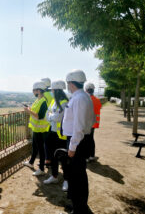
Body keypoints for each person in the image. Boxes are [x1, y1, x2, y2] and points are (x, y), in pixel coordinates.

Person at [62, 69, 95, 214]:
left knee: (77, 176)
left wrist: (73, 146)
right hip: (78, 140)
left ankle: (79, 208)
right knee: (76, 175)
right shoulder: (82, 96)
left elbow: (79, 125)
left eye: (68, 83)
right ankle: (77, 205)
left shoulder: (80, 98)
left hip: (77, 141)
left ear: (70, 83)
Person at [43, 80, 69, 192]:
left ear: (56, 90)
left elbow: (57, 117)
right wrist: (51, 116)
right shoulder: (54, 101)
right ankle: (54, 176)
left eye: (52, 90)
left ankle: (67, 180)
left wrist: (51, 116)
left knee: (63, 158)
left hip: (61, 135)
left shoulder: (64, 102)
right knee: (53, 156)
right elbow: (47, 115)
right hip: (52, 132)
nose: (51, 92)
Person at [23, 82, 50, 176]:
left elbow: (40, 116)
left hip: (41, 129)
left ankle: (41, 169)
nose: (33, 92)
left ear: (38, 90)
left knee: (41, 150)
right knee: (35, 147)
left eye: (34, 90)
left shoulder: (43, 101)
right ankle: (31, 162)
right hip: (36, 128)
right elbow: (35, 110)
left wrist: (28, 111)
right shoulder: (38, 100)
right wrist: (29, 108)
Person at [85, 82, 102, 162]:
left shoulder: (86, 99)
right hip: (94, 123)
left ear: (86, 90)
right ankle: (92, 155)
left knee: (86, 140)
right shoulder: (97, 100)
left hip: (86, 123)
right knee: (91, 139)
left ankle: (87, 157)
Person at [41, 78, 54, 166]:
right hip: (53, 121)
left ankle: (47, 160)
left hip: (46, 122)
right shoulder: (52, 93)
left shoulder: (44, 95)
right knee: (52, 143)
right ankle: (52, 159)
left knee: (46, 143)